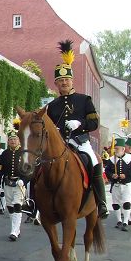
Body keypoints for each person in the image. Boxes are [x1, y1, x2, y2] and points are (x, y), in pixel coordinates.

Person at [44, 39, 108, 219]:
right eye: (60, 80)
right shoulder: (53, 105)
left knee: (93, 162)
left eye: (66, 79)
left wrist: (79, 124)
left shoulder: (84, 100)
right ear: (56, 83)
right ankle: (34, 203)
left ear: (72, 81)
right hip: (60, 144)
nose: (64, 82)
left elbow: (94, 123)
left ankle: (101, 202)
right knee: (41, 166)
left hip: (80, 142)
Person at [0, 130, 26, 241]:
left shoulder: (24, 152)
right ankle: (16, 229)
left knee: (17, 205)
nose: (13, 141)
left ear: (19, 141)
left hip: (19, 184)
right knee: (10, 207)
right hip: (8, 184)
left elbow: (29, 170)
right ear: (8, 142)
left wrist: (24, 180)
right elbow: (0, 170)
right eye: (11, 139)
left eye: (15, 139)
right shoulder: (4, 154)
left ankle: (13, 231)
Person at [104, 137, 131, 231]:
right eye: (115, 148)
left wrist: (126, 176)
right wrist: (112, 175)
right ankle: (119, 221)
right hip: (116, 185)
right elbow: (107, 171)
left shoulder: (130, 159)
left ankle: (125, 222)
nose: (115, 150)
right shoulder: (112, 159)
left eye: (117, 148)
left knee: (126, 203)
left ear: (123, 149)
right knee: (115, 204)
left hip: (127, 185)